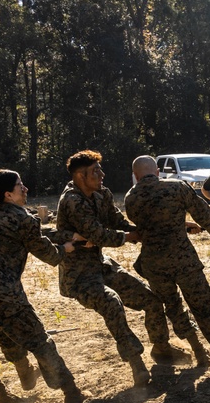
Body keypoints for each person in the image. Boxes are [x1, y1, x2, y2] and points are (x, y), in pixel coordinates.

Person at [56, 150, 197, 388]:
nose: (102, 174)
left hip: (101, 265)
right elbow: (99, 234)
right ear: (80, 176)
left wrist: (159, 226)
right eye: (95, 171)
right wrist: (133, 236)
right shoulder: (72, 200)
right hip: (79, 274)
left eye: (100, 169)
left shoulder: (102, 193)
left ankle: (161, 349)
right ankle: (136, 364)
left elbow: (117, 222)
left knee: (151, 300)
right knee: (112, 304)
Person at [0, 170, 86, 403]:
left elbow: (25, 236)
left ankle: (23, 367)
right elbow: (49, 255)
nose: (25, 189)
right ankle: (71, 391)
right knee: (39, 340)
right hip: (1, 293)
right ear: (7, 195)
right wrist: (66, 247)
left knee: (2, 325)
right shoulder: (23, 218)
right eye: (20, 185)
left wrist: (59, 236)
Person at [125, 156, 210, 374]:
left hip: (154, 263)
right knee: (204, 305)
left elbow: (146, 226)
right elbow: (203, 214)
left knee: (173, 307)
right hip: (183, 260)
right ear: (157, 171)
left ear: (136, 175)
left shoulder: (131, 198)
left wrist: (177, 223)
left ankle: (198, 351)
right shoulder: (177, 187)